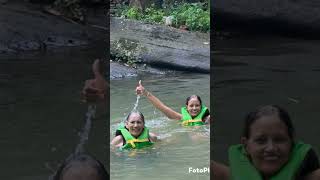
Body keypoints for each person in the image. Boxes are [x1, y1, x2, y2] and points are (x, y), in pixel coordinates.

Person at [212, 105, 320, 180]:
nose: (271, 148)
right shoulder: (223, 175)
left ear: (291, 144)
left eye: (279, 139)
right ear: (246, 145)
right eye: (260, 140)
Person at [135, 80, 211, 126]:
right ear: (187, 107)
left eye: (197, 105)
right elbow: (162, 107)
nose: (194, 108)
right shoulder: (181, 118)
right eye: (191, 106)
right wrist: (145, 92)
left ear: (201, 107)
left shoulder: (207, 119)